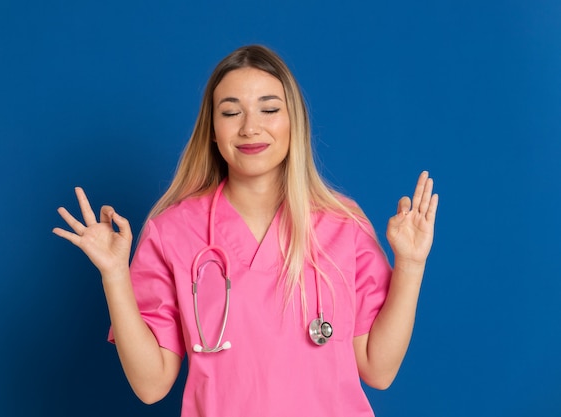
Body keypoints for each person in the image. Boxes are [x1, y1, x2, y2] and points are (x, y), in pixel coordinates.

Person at [53, 45, 438, 416]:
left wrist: (411, 264)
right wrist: (115, 274)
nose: (250, 127)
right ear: (213, 130)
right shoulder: (172, 232)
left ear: (294, 123)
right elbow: (151, 386)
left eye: (269, 109)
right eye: (231, 112)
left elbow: (378, 369)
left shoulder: (343, 224)